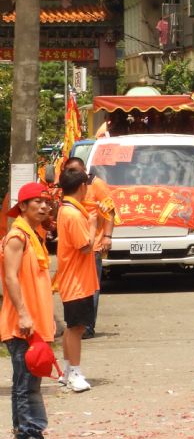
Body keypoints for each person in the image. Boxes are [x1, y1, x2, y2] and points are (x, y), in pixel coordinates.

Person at [1, 182, 59, 439]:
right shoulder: (17, 236)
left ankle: (19, 437)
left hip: (34, 322)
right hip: (22, 324)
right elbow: (10, 278)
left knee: (24, 382)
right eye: (36, 201)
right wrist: (24, 314)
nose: (44, 206)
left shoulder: (34, 235)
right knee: (28, 385)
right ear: (22, 206)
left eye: (46, 202)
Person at [54, 168, 99, 392]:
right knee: (77, 328)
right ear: (82, 186)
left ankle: (66, 370)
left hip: (74, 278)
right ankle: (75, 372)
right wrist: (92, 225)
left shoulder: (68, 210)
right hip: (76, 281)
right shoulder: (73, 214)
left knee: (72, 328)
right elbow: (85, 247)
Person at [62, 156, 115, 338]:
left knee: (91, 288)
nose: (73, 176)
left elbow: (110, 210)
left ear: (84, 171)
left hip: (92, 245)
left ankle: (87, 326)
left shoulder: (96, 185)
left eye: (76, 172)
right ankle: (78, 325)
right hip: (75, 247)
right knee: (76, 287)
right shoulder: (69, 192)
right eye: (70, 172)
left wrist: (107, 236)